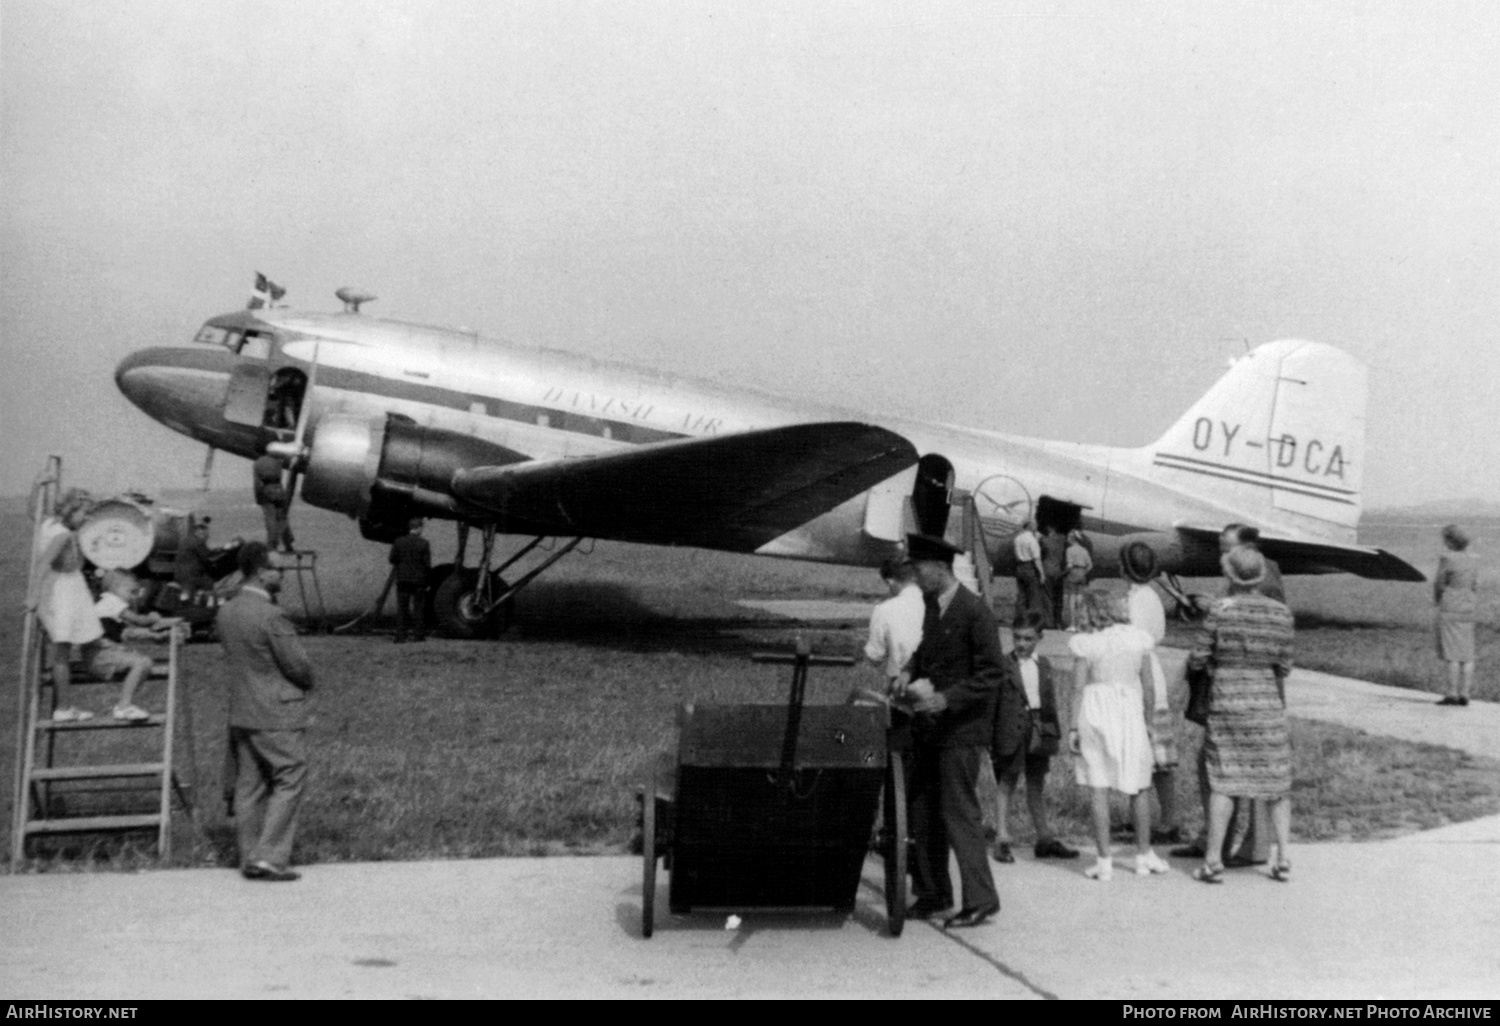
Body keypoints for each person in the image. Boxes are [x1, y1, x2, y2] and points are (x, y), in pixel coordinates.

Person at [898, 533, 1002, 929]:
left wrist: (947, 699)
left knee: (959, 815)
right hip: (929, 729)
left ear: (940, 568)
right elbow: (928, 649)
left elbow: (992, 672)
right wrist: (909, 669)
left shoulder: (975, 612)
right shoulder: (932, 604)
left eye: (919, 570)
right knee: (923, 812)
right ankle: (932, 893)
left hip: (961, 731)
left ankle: (981, 899)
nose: (915, 577)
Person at [1185, 547, 1295, 884]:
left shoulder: (1220, 610)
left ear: (1230, 575)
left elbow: (1198, 658)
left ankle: (1214, 859)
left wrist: (1213, 664)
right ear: (1261, 574)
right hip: (1266, 704)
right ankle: (1283, 857)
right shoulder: (1281, 613)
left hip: (1228, 703)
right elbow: (1285, 666)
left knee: (1224, 781)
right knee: (1276, 783)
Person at [218, 542, 315, 882]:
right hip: (277, 712)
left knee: (250, 785)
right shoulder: (272, 615)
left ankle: (249, 855)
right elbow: (298, 666)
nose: (283, 574)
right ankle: (270, 856)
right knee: (290, 775)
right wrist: (307, 680)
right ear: (261, 572)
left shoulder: (227, 611)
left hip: (242, 710)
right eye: (279, 569)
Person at [1067, 588, 1169, 881]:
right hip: (1128, 709)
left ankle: (1104, 861)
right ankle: (1142, 855)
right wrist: (1149, 722)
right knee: (1139, 785)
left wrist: (1073, 726)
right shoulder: (1138, 640)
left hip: (1095, 708)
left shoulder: (1087, 643)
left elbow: (1076, 688)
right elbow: (1148, 687)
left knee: (1097, 785)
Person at [991, 612, 1077, 863]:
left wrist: (1052, 733)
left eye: (1028, 638)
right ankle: (1002, 837)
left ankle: (1044, 837)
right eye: (1017, 637)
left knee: (1036, 782)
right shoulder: (1003, 664)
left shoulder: (1045, 665)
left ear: (1040, 637)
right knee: (1006, 781)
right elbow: (994, 703)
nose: (1021, 643)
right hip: (1010, 729)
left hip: (1037, 729)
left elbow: (1049, 703)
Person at [27, 489, 104, 722]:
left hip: (62, 588)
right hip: (65, 592)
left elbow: (33, 511)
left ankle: (66, 704)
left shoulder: (48, 524)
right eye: (85, 513)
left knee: (79, 643)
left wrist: (37, 485)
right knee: (63, 652)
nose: (87, 519)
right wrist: (33, 595)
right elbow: (42, 565)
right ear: (72, 510)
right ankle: (64, 707)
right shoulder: (62, 536)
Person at [1122, 546, 1181, 844]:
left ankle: (1166, 820)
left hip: (1141, 677)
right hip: (1150, 672)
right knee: (1157, 758)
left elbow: (1135, 640)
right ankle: (1145, 817)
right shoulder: (1152, 596)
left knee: (1152, 757)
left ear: (1125, 569)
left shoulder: (1136, 600)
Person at [88, 570, 181, 722]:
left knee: (142, 661)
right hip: (101, 654)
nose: (134, 597)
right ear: (114, 587)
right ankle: (124, 706)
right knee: (141, 662)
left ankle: (126, 703)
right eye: (131, 591)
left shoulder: (109, 609)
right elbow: (138, 620)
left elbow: (128, 632)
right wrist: (151, 618)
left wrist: (154, 636)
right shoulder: (111, 601)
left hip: (102, 653)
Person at [1433, 524, 1479, 706]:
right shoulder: (1474, 559)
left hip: (1450, 606)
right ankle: (1465, 693)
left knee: (1452, 654)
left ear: (1451, 541)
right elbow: (1475, 583)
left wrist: (1438, 600)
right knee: (1467, 654)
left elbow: (1439, 583)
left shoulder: (1446, 558)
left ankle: (1452, 693)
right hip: (1468, 607)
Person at [863, 558, 925, 689]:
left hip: (902, 684)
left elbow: (874, 657)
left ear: (890, 582)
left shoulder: (884, 609)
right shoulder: (934, 604)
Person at [389, 518, 433, 644]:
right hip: (418, 581)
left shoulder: (398, 542)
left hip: (402, 580)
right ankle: (418, 635)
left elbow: (392, 559)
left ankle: (400, 636)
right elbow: (427, 565)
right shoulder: (424, 543)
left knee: (402, 609)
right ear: (419, 528)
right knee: (418, 608)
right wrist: (427, 581)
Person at [253, 453, 296, 554]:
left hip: (266, 491)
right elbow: (280, 477)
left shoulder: (258, 463)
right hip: (278, 489)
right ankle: (288, 542)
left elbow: (257, 483)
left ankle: (272, 545)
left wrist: (259, 498)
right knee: (282, 517)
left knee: (270, 518)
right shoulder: (277, 461)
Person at [1012, 518, 1048, 628]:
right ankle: (1032, 622)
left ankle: (1020, 620)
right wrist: (1042, 573)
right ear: (1031, 527)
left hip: (1019, 567)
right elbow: (1037, 559)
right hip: (1029, 567)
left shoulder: (1017, 538)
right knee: (1033, 596)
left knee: (1021, 596)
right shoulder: (1032, 540)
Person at [1063, 530, 1093, 630]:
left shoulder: (1069, 550)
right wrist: (1084, 572)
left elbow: (1069, 565)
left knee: (1071, 598)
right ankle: (1079, 623)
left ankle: (1072, 624)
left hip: (1073, 572)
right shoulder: (1084, 550)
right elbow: (1090, 565)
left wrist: (1064, 572)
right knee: (1079, 599)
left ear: (1073, 539)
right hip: (1082, 573)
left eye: (1068, 538)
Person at [1040, 525, 1068, 630]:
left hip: (1047, 570)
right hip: (1058, 571)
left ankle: (1049, 622)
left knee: (1048, 597)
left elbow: (1041, 553)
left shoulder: (1044, 540)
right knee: (1058, 598)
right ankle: (1058, 621)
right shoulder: (1062, 540)